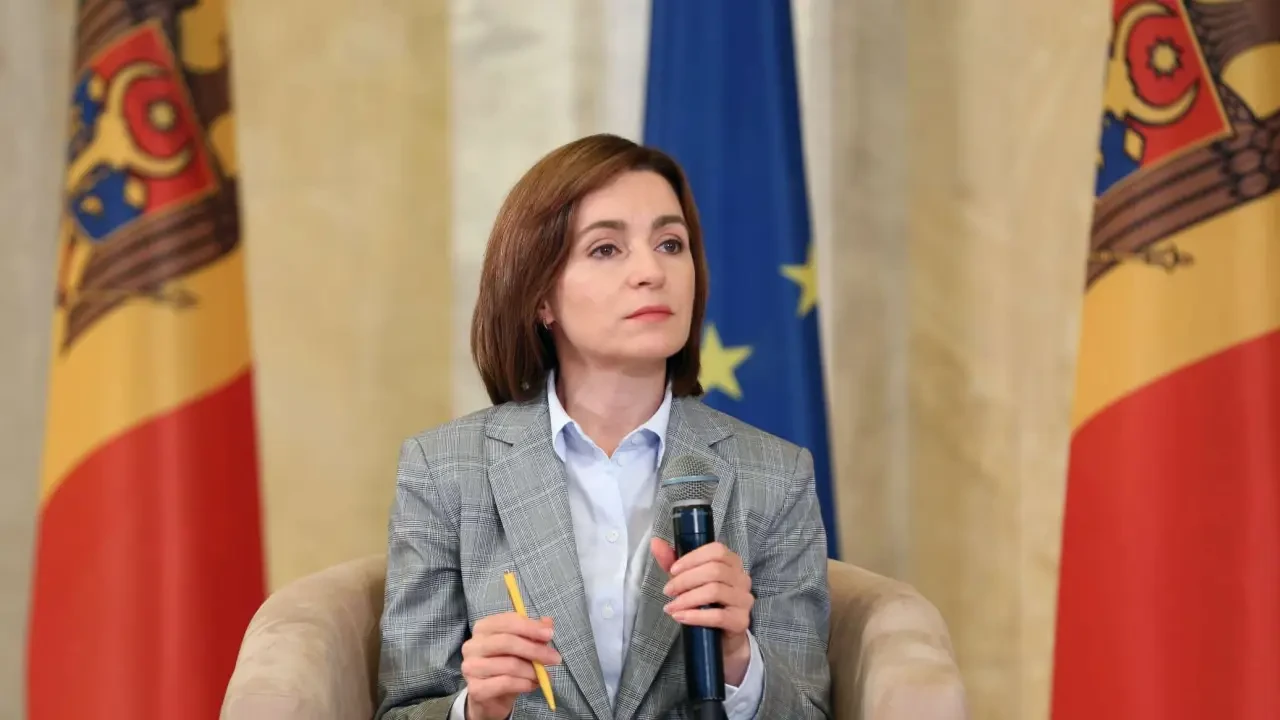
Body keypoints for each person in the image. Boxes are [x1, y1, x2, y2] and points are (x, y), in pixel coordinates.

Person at [375, 134, 831, 720]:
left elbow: (811, 710)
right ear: (541, 297)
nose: (651, 272)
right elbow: (403, 708)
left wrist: (740, 661)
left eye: (670, 244)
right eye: (607, 249)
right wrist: (476, 709)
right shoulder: (443, 470)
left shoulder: (778, 475)